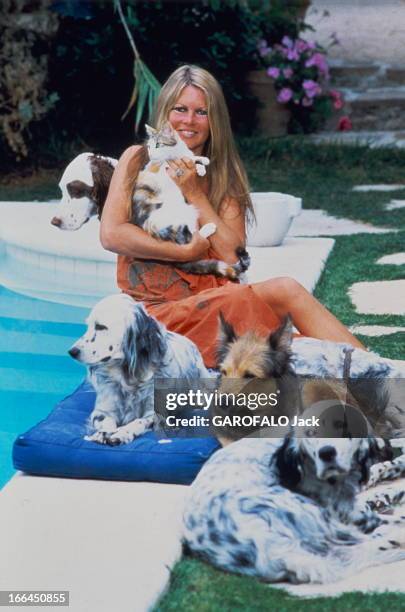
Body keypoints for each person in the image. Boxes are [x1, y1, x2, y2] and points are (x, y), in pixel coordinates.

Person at [100, 64, 364, 368]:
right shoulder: (137, 159)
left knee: (285, 288)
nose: (189, 121)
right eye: (180, 109)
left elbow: (234, 258)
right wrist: (185, 251)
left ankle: (381, 372)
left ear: (215, 121)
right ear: (164, 111)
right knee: (240, 303)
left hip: (217, 304)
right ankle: (342, 369)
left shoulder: (224, 176)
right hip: (157, 314)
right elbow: (112, 234)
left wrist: (196, 194)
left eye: (201, 112)